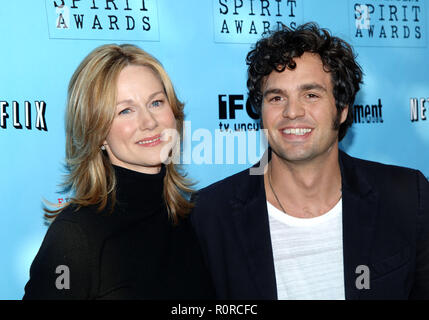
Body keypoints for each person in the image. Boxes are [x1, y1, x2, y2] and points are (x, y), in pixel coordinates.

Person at [191, 22, 429, 300]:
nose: (292, 112)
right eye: (277, 97)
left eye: (311, 95)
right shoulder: (209, 215)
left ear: (341, 110)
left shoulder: (407, 197)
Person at [23, 44, 214, 299]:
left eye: (156, 102)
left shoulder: (193, 220)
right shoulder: (74, 237)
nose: (149, 122)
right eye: (125, 110)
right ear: (98, 132)